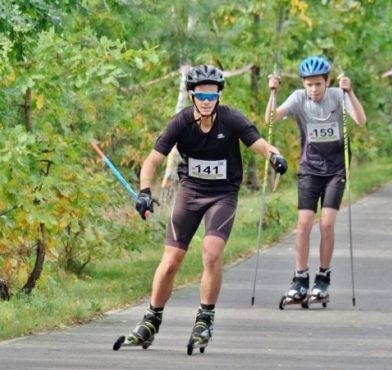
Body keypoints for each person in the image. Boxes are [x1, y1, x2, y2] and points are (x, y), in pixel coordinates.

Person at [114, 64, 288, 354]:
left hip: (223, 196)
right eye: (201, 97)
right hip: (191, 193)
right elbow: (151, 162)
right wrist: (145, 191)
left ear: (219, 95)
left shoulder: (231, 118)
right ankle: (150, 321)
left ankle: (204, 319)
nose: (207, 102)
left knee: (211, 252)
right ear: (192, 96)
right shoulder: (181, 122)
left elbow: (260, 144)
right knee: (171, 260)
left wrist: (275, 156)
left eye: (212, 96)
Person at [265, 56, 367, 308]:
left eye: (318, 84)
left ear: (327, 82)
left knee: (327, 223)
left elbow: (360, 120)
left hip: (336, 169)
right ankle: (300, 278)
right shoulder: (299, 98)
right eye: (309, 84)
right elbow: (269, 120)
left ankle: (323, 278)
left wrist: (350, 92)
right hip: (310, 167)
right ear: (303, 84)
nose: (314, 90)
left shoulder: (337, 95)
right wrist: (273, 94)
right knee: (303, 223)